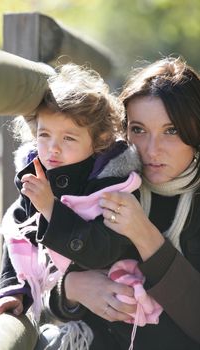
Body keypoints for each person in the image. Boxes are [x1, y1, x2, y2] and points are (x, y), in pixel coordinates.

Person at [43, 56, 200, 350]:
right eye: (138, 130)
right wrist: (72, 288)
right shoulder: (99, 184)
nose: (152, 150)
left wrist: (144, 234)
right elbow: (37, 288)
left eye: (171, 131)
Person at [0, 63, 143, 328]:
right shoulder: (35, 175)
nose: (53, 149)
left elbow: (103, 250)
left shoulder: (114, 186)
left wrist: (51, 208)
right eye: (44, 135)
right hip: (68, 312)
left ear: (100, 139)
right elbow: (18, 232)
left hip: (118, 319)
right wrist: (13, 290)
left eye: (69, 138)